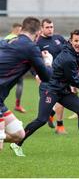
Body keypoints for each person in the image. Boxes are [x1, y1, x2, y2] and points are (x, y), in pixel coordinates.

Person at [10, 29, 79, 156]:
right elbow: (74, 80)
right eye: (76, 41)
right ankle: (16, 143)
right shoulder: (67, 58)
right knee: (42, 119)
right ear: (70, 41)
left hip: (63, 90)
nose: (78, 43)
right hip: (50, 89)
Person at [0, 17, 51, 153]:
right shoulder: (31, 47)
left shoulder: (8, 40)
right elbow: (46, 77)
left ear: (21, 29)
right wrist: (47, 61)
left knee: (19, 134)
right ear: (38, 33)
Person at [37, 18, 67, 134]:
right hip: (47, 76)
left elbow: (68, 51)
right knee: (50, 101)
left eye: (51, 27)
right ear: (42, 28)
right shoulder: (38, 43)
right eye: (47, 27)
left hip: (62, 75)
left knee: (62, 99)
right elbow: (33, 61)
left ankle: (59, 125)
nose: (50, 30)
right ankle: (51, 115)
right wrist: (37, 75)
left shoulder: (58, 38)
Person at [4, 23, 26, 113]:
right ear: (17, 29)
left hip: (3, 66)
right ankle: (17, 105)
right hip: (14, 66)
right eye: (21, 30)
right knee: (20, 83)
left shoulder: (5, 38)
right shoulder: (16, 39)